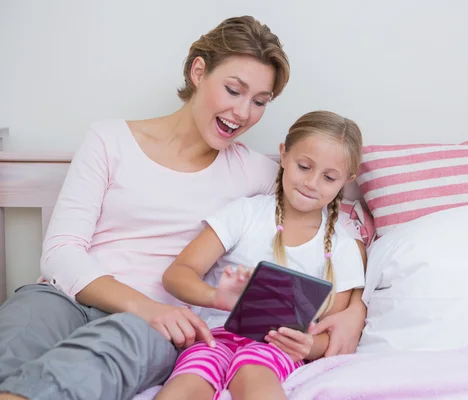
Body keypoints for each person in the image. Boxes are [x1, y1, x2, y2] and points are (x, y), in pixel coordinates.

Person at [0, 15, 366, 400]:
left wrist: (355, 309)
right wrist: (145, 306)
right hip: (67, 299)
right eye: (233, 90)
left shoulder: (259, 174)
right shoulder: (109, 140)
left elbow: (336, 228)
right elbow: (60, 252)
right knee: (21, 327)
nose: (243, 113)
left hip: (156, 329)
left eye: (259, 102)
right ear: (198, 71)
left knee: (111, 345)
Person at [154, 110, 366, 400]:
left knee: (257, 376)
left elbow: (332, 334)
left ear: (347, 179)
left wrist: (307, 347)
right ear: (284, 154)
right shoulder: (246, 213)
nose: (312, 183)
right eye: (304, 166)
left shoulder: (343, 246)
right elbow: (177, 274)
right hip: (213, 335)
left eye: (329, 177)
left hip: (277, 348)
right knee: (187, 383)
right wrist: (218, 298)